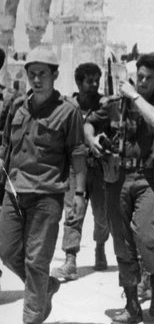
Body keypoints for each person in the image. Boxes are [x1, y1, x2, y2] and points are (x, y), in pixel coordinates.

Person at [0, 46, 87, 324]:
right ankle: (45, 286)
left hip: (47, 194)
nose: (36, 80)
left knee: (36, 260)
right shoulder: (17, 105)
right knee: (7, 251)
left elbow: (77, 154)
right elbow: (6, 147)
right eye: (32, 74)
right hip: (14, 191)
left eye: (43, 74)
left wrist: (79, 194)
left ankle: (32, 317)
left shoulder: (68, 111)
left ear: (55, 75)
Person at [93, 53, 154, 323]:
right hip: (117, 177)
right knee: (122, 242)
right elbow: (89, 122)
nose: (142, 82)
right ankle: (131, 303)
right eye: (139, 76)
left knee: (146, 234)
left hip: (148, 179)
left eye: (148, 78)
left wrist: (134, 95)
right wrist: (92, 139)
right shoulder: (117, 104)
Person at [52, 62, 110, 282]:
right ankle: (70, 260)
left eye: (97, 80)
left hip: (100, 168)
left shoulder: (105, 105)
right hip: (75, 169)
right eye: (89, 81)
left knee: (102, 215)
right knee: (73, 213)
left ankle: (100, 247)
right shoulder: (67, 106)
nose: (94, 85)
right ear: (78, 82)